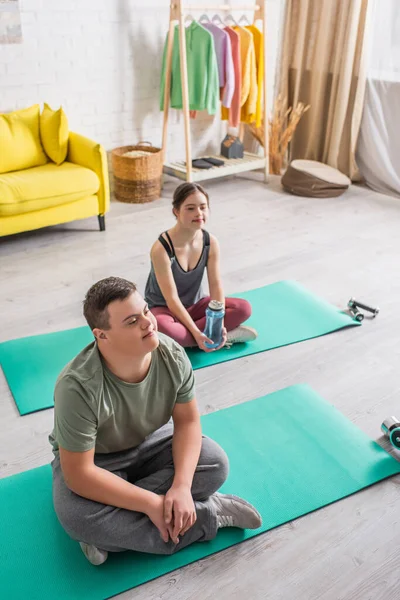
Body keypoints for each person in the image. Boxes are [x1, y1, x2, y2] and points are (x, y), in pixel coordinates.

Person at [49, 277, 262, 566]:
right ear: (102, 335)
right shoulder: (76, 387)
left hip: (151, 441)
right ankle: (206, 515)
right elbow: (80, 474)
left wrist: (182, 488)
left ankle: (114, 534)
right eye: (132, 321)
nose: (148, 323)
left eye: (146, 311)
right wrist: (150, 503)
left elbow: (187, 423)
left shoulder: (172, 354)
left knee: (215, 463)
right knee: (78, 518)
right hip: (97, 460)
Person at [144, 182, 258, 352]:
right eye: (190, 208)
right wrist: (197, 332)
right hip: (166, 310)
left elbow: (216, 285)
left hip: (196, 304)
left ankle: (205, 337)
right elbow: (172, 300)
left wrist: (217, 323)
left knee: (243, 308)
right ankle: (215, 337)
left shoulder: (210, 242)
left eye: (203, 207)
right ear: (176, 211)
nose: (199, 213)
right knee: (165, 328)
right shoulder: (161, 249)